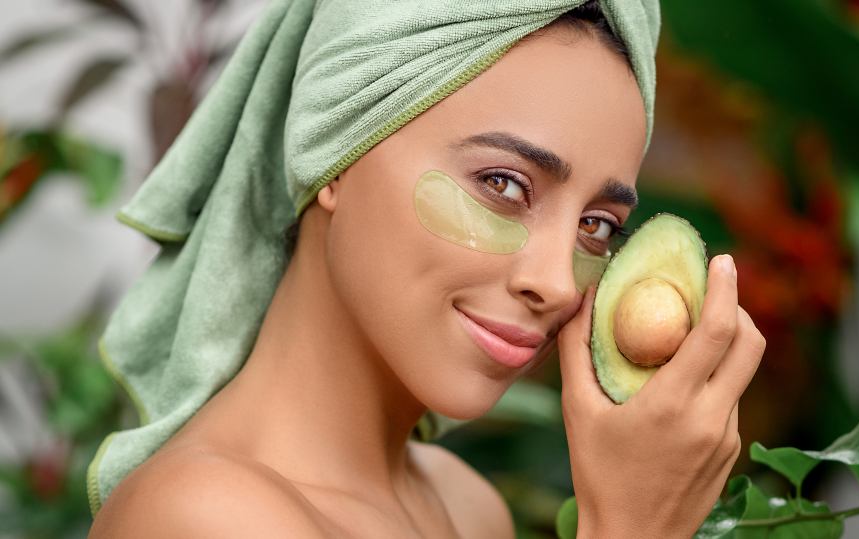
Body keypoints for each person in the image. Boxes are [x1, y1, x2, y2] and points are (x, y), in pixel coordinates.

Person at [86, 0, 765, 537]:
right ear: (337, 154)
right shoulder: (199, 518)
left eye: (597, 225)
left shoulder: (469, 510)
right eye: (503, 184)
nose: (558, 283)